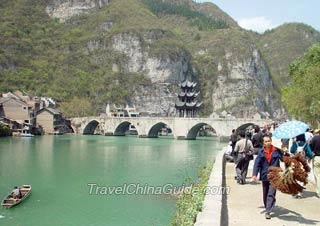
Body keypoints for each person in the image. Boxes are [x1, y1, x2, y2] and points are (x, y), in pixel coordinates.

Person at [252, 134, 287, 219]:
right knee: (265, 193)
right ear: (263, 143)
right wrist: (254, 174)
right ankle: (268, 205)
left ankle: (268, 211)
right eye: (266, 141)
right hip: (265, 175)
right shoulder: (261, 152)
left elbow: (284, 159)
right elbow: (257, 164)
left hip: (275, 175)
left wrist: (285, 152)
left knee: (271, 193)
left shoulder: (277, 151)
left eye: (269, 141)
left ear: (271, 141)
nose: (267, 143)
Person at [290, 133, 314, 198]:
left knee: (295, 176)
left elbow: (291, 151)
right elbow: (309, 153)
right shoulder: (306, 144)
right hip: (303, 162)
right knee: (301, 176)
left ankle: (295, 191)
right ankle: (299, 193)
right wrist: (311, 156)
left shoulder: (295, 143)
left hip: (296, 162)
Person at [310, 129, 320, 198]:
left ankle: (319, 192)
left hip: (317, 158)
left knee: (318, 176)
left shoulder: (315, 138)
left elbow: (311, 148)